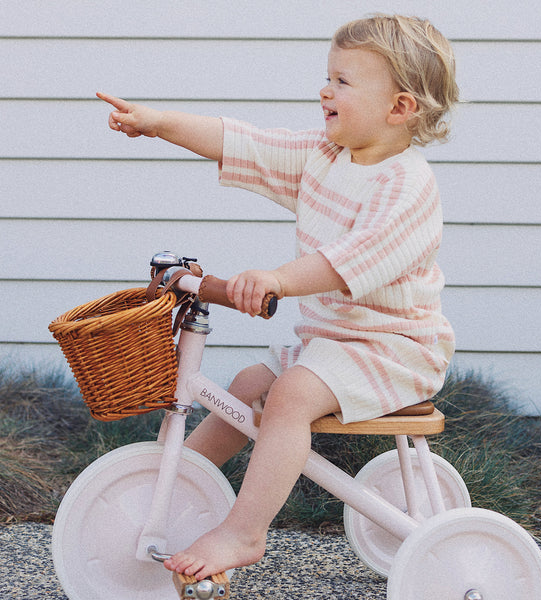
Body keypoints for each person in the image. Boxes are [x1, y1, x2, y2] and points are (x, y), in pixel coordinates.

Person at [97, 13, 459, 581]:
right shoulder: (325, 157)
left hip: (395, 348)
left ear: (400, 107)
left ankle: (244, 532)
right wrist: (158, 122)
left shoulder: (407, 187)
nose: (325, 90)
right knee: (246, 384)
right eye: (328, 77)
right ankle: (167, 489)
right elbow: (244, 142)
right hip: (332, 344)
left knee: (288, 395)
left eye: (343, 81)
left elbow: (353, 260)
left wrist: (279, 280)